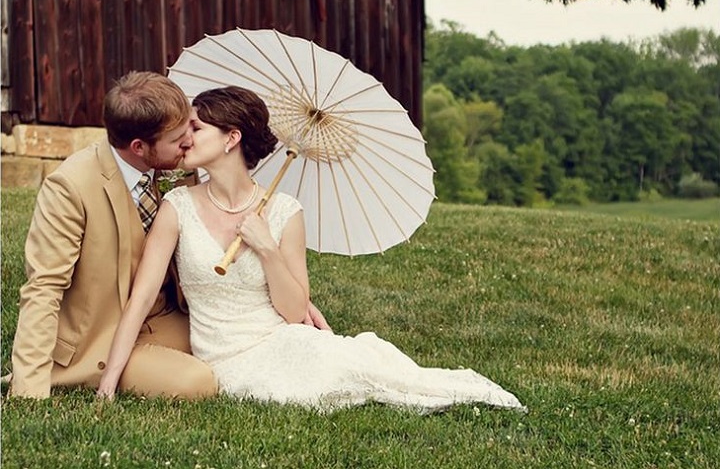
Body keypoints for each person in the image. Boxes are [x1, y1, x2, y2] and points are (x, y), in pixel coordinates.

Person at [97, 85, 526, 414]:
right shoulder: (178, 207)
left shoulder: (285, 211)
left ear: (231, 138)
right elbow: (139, 300)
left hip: (278, 337)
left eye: (195, 128)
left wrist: (267, 249)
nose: (184, 138)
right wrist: (108, 383)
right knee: (320, 379)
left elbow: (292, 308)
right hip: (223, 356)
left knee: (348, 365)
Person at [9, 72, 330, 400]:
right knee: (197, 383)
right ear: (139, 147)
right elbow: (43, 290)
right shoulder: (70, 187)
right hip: (102, 333)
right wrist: (28, 389)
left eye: (192, 130)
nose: (188, 142)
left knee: (256, 349)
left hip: (167, 321)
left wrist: (282, 289)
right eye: (179, 137)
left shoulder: (177, 168)